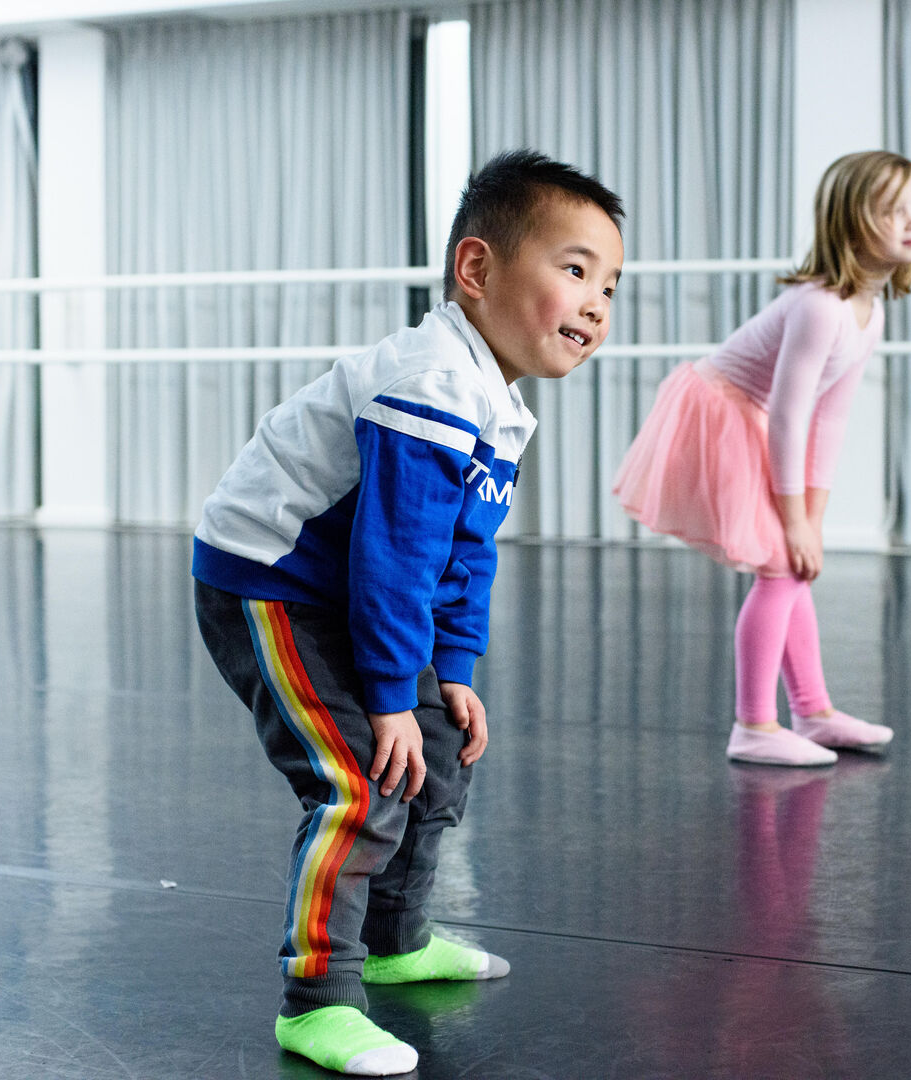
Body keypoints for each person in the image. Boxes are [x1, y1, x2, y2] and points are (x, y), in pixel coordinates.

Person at [192, 149, 624, 1076]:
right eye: (576, 270)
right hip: (270, 580)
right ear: (477, 270)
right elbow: (394, 560)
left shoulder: (496, 405)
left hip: (346, 582)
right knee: (360, 775)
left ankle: (395, 939)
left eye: (612, 285)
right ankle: (315, 1000)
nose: (597, 303)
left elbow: (463, 556)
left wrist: (451, 678)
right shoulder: (428, 381)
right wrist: (391, 696)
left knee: (436, 760)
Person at [614, 150, 911, 767]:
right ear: (851, 221)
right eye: (893, 209)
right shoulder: (820, 307)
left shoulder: (870, 313)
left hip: (753, 417)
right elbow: (789, 413)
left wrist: (814, 516)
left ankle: (812, 712)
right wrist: (794, 522)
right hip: (722, 411)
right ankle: (755, 724)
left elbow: (830, 418)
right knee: (783, 566)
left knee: (795, 564)